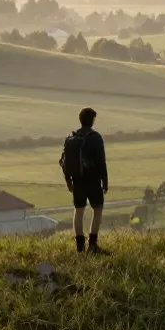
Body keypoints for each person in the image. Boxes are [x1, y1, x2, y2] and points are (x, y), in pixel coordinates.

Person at [60, 107, 108, 253]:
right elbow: (101, 161)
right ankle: (92, 245)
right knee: (97, 209)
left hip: (77, 180)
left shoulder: (71, 138)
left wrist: (68, 180)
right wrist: (105, 181)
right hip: (92, 179)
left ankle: (79, 246)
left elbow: (64, 161)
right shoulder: (95, 137)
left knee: (79, 210)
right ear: (92, 120)